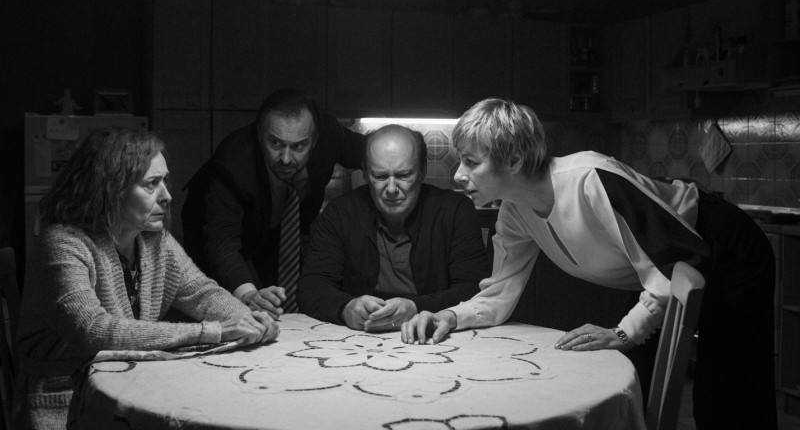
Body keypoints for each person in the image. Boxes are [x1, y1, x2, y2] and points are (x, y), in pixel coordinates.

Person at [402, 98, 777, 430]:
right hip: (662, 271)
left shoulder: (591, 178)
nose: (458, 175)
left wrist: (623, 333)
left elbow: (669, 262)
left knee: (728, 394)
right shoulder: (515, 212)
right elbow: (499, 293)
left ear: (513, 160)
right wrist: (450, 316)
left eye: (471, 162)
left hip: (723, 244)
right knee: (637, 387)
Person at [13, 129, 279, 430]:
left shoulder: (154, 240)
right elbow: (94, 332)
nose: (167, 196)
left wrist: (249, 320)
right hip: (62, 402)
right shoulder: (62, 243)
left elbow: (202, 293)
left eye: (165, 181)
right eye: (151, 184)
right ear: (109, 188)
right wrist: (213, 331)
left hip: (128, 386)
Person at [182, 88, 365, 318]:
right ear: (260, 134)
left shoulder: (329, 134)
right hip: (222, 240)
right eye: (276, 143)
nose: (286, 158)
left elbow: (371, 151)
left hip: (282, 233)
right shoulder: (232, 167)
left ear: (315, 140)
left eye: (298, 146)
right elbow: (222, 245)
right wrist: (248, 294)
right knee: (253, 307)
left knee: (284, 300)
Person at [298, 124, 491, 331]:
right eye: (380, 176)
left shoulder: (455, 211)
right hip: (360, 338)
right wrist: (345, 308)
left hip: (433, 336)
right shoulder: (340, 212)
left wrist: (416, 307)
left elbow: (474, 289)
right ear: (365, 174)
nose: (391, 189)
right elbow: (311, 287)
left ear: (422, 171)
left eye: (403, 175)